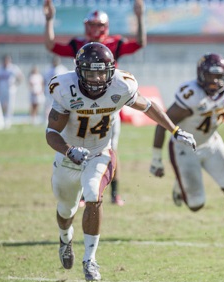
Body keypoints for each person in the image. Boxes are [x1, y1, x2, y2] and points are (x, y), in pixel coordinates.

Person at [45, 42, 196, 281]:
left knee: (94, 194)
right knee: (66, 209)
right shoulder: (65, 89)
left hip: (99, 152)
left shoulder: (121, 85)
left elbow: (148, 107)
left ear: (111, 71)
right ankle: (65, 238)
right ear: (78, 72)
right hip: (68, 156)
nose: (96, 78)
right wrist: (68, 150)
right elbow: (51, 133)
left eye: (101, 72)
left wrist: (175, 129)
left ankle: (90, 259)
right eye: (90, 72)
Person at [43, 0, 147, 206]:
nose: (95, 29)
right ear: (85, 26)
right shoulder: (77, 44)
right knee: (79, 146)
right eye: (92, 25)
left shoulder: (115, 42)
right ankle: (82, 193)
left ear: (106, 27)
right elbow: (52, 46)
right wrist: (49, 20)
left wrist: (139, 17)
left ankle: (113, 192)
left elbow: (139, 43)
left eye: (99, 25)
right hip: (81, 104)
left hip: (107, 103)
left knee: (109, 149)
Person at [150, 53, 224, 239]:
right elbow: (163, 123)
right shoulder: (191, 95)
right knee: (196, 205)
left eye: (219, 76)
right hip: (184, 148)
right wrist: (156, 159)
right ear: (201, 75)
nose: (215, 81)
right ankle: (180, 185)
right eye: (211, 76)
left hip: (211, 142)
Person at [0, 54, 23, 129]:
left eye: (8, 60)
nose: (6, 62)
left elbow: (20, 77)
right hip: (1, 90)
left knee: (10, 105)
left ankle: (8, 121)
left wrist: (16, 84)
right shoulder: (0, 69)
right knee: (2, 105)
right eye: (5, 60)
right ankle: (2, 120)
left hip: (10, 89)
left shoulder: (13, 68)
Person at [42, 56, 68, 125]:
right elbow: (44, 80)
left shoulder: (62, 69)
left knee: (59, 106)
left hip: (59, 91)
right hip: (49, 90)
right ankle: (46, 119)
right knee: (47, 105)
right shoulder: (48, 69)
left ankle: (58, 119)